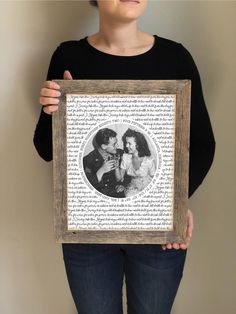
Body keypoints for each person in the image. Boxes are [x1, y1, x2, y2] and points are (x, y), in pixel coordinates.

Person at [33, 0, 215, 313]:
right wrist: (54, 112)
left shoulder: (175, 57)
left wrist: (177, 203)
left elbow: (202, 145)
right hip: (87, 231)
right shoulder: (68, 57)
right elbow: (46, 149)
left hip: (157, 232)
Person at [83, 128, 126, 198]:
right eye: (114, 144)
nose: (117, 146)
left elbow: (128, 174)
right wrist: (101, 170)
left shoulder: (120, 153)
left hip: (118, 193)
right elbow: (87, 186)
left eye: (116, 142)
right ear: (103, 146)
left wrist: (123, 185)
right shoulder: (88, 160)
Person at [115, 128, 156, 197]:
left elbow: (154, 180)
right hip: (133, 189)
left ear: (138, 145)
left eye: (129, 143)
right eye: (126, 143)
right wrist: (116, 167)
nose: (126, 146)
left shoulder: (149, 160)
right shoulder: (125, 158)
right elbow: (119, 178)